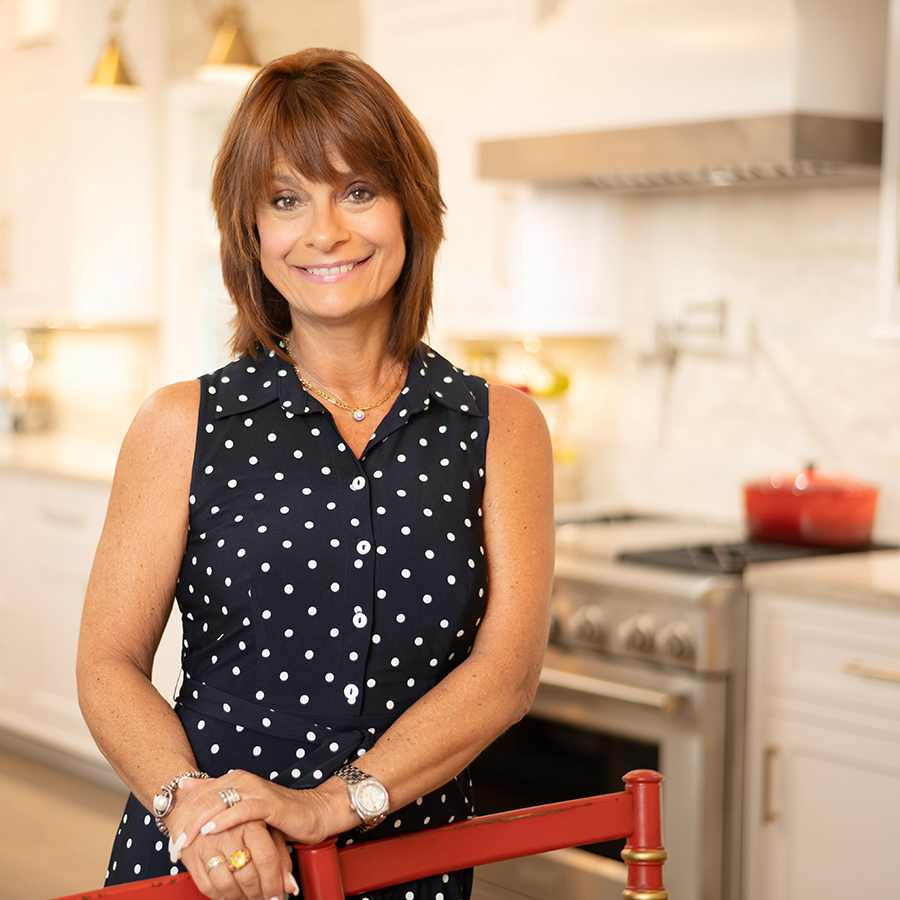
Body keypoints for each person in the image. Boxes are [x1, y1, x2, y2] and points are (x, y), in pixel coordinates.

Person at [77, 47, 554, 900]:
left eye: (358, 191)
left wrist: (332, 805)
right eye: (286, 199)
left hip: (409, 869)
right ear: (251, 233)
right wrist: (193, 805)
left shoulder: (502, 428)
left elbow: (506, 676)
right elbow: (107, 665)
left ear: (410, 207)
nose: (324, 231)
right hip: (213, 865)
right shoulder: (180, 424)